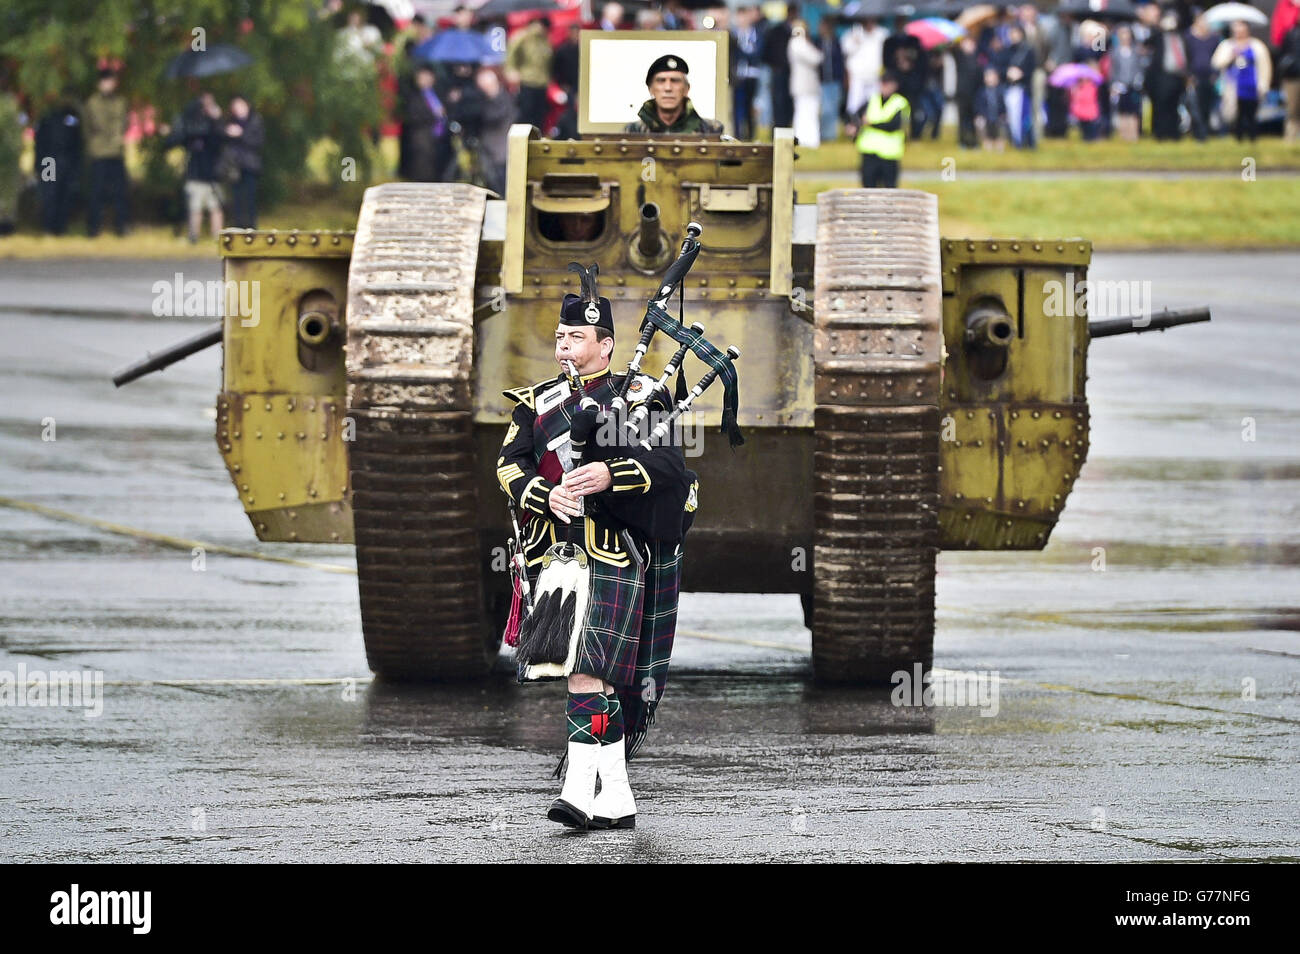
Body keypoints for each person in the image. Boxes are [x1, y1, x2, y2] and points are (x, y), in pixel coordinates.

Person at [498, 266, 694, 829]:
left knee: (587, 671)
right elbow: (510, 464)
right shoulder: (535, 403)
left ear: (605, 345)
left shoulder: (642, 397)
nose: (564, 345)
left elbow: (672, 469)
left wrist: (613, 476)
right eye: (559, 336)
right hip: (555, 555)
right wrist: (545, 493)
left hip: (613, 553)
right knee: (598, 680)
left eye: (576, 337)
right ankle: (618, 796)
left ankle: (579, 790)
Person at [160, 91, 224, 243]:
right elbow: (176, 139)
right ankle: (193, 235)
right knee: (195, 207)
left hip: (211, 172)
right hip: (195, 172)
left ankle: (218, 237)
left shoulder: (213, 123)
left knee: (215, 207)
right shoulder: (190, 120)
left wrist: (217, 120)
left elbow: (220, 141)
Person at [623, 55, 725, 134]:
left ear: (686, 89)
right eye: (661, 81)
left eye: (675, 81)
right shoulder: (633, 131)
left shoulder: (710, 130)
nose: (668, 88)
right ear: (651, 89)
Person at [83, 68, 128, 237]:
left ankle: (121, 227)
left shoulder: (121, 102)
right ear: (100, 83)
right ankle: (93, 228)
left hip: (116, 153)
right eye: (106, 81)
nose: (109, 85)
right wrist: (92, 147)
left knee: (120, 193)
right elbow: (87, 129)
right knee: (96, 192)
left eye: (112, 81)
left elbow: (123, 124)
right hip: (99, 153)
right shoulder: (92, 103)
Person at [1213, 19, 1272, 143]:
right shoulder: (1227, 45)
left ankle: (1252, 138)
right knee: (1235, 115)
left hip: (1252, 85)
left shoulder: (1257, 45)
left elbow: (1265, 66)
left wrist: (1264, 84)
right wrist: (1231, 56)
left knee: (1251, 114)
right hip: (1234, 86)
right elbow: (1216, 63)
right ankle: (1238, 138)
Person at [848, 71, 908, 187]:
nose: (885, 87)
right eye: (883, 83)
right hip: (869, 153)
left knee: (889, 189)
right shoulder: (872, 100)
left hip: (889, 154)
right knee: (868, 189)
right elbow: (856, 117)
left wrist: (870, 124)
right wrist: (854, 127)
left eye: (888, 84)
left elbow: (893, 125)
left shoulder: (900, 103)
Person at [34, 91, 82, 236]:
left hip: (66, 159)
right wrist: (38, 164)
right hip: (49, 160)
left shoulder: (71, 116)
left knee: (65, 194)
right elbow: (39, 142)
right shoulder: (45, 116)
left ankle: (61, 228)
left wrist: (75, 163)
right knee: (49, 194)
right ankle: (48, 228)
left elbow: (77, 141)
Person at [403, 64, 453, 182]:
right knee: (424, 174)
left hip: (441, 142)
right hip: (423, 142)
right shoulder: (414, 96)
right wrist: (435, 115)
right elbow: (414, 116)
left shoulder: (439, 93)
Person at [221, 95, 264, 229]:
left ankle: (251, 228)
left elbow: (258, 142)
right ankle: (238, 228)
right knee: (237, 200)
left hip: (250, 167)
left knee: (249, 199)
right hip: (235, 167)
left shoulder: (255, 121)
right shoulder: (230, 122)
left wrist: (241, 134)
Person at [506, 16, 553, 131]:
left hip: (542, 82)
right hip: (527, 80)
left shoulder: (545, 40)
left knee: (539, 115)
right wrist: (511, 70)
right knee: (526, 113)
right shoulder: (522, 37)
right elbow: (511, 54)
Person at [842, 16, 887, 120]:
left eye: (872, 20)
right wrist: (855, 41)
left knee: (874, 104)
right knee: (854, 104)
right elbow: (846, 51)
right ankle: (853, 126)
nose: (869, 23)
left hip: (875, 76)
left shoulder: (882, 33)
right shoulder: (852, 33)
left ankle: (872, 125)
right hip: (857, 77)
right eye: (867, 20)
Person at [788, 17, 824, 147]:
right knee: (805, 113)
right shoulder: (798, 43)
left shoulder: (797, 43)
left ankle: (807, 139)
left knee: (807, 113)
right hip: (804, 85)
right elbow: (817, 58)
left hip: (806, 85)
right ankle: (807, 140)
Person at [761, 2, 798, 128]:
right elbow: (767, 51)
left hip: (794, 73)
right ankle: (778, 129)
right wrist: (774, 65)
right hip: (779, 72)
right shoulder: (777, 31)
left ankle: (786, 127)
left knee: (789, 103)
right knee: (778, 103)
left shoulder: (798, 30)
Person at [1185, 14, 1220, 140]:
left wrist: (1215, 74)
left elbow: (1218, 57)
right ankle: (1198, 133)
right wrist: (1188, 75)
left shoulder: (1214, 38)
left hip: (1209, 77)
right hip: (1194, 78)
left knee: (1206, 106)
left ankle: (1205, 131)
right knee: (1195, 107)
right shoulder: (1188, 38)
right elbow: (1186, 57)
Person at [732, 5, 764, 140]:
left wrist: (743, 53)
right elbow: (735, 54)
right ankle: (737, 136)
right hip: (738, 76)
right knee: (737, 109)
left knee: (751, 108)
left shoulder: (756, 33)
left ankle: (750, 136)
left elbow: (757, 54)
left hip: (752, 75)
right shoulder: (734, 34)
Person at [1109, 25, 1143, 143]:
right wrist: (1113, 84)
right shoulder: (1115, 52)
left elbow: (1139, 68)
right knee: (1122, 111)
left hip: (1133, 85)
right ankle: (1124, 135)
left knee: (1134, 110)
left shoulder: (1135, 51)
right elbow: (1113, 70)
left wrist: (1138, 80)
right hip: (1120, 85)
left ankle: (1133, 135)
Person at [817, 16, 846, 144]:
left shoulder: (836, 42)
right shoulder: (817, 42)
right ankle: (823, 134)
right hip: (822, 81)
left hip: (834, 80)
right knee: (824, 110)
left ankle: (830, 135)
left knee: (832, 108)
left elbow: (841, 62)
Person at [954, 36, 981, 149]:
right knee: (962, 119)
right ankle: (962, 141)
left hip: (975, 94)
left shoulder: (977, 59)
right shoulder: (960, 57)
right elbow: (953, 49)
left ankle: (974, 142)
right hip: (962, 93)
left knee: (973, 120)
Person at [975, 66, 1006, 151]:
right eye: (988, 77)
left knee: (1001, 127)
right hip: (986, 117)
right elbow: (979, 106)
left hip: (998, 117)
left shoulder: (1001, 91)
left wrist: (1003, 114)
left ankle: (999, 145)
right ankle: (987, 144)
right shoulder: (981, 92)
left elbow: (1003, 105)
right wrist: (980, 115)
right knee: (980, 124)